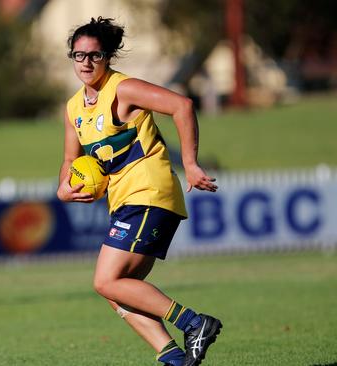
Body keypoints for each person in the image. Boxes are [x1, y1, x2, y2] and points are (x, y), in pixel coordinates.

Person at [56, 17, 222, 366]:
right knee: (119, 291)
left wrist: (190, 163)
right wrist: (63, 188)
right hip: (126, 201)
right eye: (78, 55)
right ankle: (175, 359)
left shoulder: (123, 89)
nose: (86, 63)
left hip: (149, 191)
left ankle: (195, 323)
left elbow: (182, 105)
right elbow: (71, 159)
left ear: (108, 57)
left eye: (95, 55)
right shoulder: (74, 109)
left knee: (105, 281)